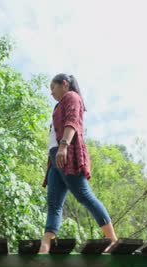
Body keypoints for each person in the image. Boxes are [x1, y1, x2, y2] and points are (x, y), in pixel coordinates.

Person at [38, 73, 119, 254]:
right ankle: (45, 244)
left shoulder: (72, 97)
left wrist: (64, 146)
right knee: (53, 203)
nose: (51, 92)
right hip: (55, 159)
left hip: (67, 154)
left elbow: (72, 121)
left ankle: (113, 239)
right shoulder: (58, 106)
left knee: (83, 195)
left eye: (53, 87)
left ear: (64, 84)